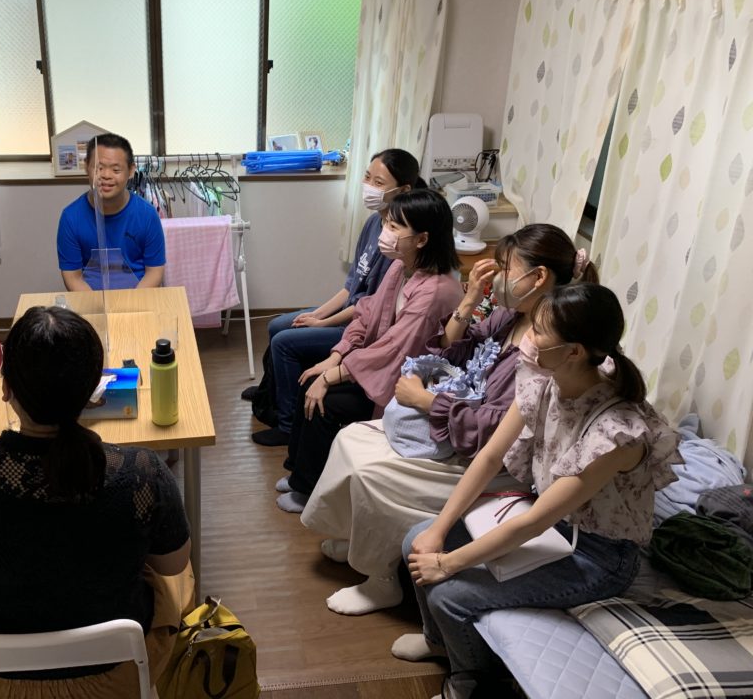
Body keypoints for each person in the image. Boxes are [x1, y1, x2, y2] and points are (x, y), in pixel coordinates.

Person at [395, 283, 680, 699]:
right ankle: (438, 641)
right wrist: (438, 530)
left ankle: (471, 683)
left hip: (598, 556)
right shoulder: (545, 380)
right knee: (415, 540)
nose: (528, 336)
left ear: (574, 351)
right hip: (554, 527)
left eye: (539, 330)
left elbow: (534, 522)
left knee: (451, 596)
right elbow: (489, 457)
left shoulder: (615, 434)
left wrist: (448, 564)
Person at [302, 224, 599, 616]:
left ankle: (382, 578)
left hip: (491, 454)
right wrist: (471, 298)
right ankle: (357, 537)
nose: (498, 275)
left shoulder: (546, 348)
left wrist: (428, 402)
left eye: (506, 267)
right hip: (460, 426)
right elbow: (453, 350)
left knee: (373, 474)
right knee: (351, 438)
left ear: (539, 276)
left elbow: (497, 428)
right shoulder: (510, 316)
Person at [0, 306, 193, 698]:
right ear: (94, 393)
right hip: (117, 676)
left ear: (6, 389)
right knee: (181, 575)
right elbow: (173, 563)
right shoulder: (141, 471)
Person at [276, 189, 464, 513]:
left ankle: (308, 488)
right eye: (387, 224)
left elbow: (395, 350)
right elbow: (366, 313)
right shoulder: (401, 267)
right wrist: (335, 357)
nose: (385, 232)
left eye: (394, 227)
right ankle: (299, 472)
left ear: (422, 239)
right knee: (309, 380)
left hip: (404, 383)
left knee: (324, 402)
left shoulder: (435, 292)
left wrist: (332, 376)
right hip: (379, 367)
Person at [248, 149, 427, 447]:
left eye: (379, 182)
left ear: (404, 190)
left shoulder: (399, 244)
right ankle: (273, 396)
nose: (368, 186)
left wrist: (323, 323)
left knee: (283, 342)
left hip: (359, 326)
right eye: (367, 177)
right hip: (348, 313)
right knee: (278, 324)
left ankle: (287, 425)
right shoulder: (374, 224)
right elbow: (350, 287)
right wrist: (318, 314)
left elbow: (369, 308)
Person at [56, 133, 166, 291]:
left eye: (116, 169)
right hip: (90, 298)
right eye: (99, 168)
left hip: (138, 295)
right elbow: (73, 278)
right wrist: (95, 303)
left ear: (131, 171)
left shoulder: (147, 215)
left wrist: (131, 301)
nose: (106, 176)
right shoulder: (71, 218)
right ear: (86, 167)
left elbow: (154, 272)